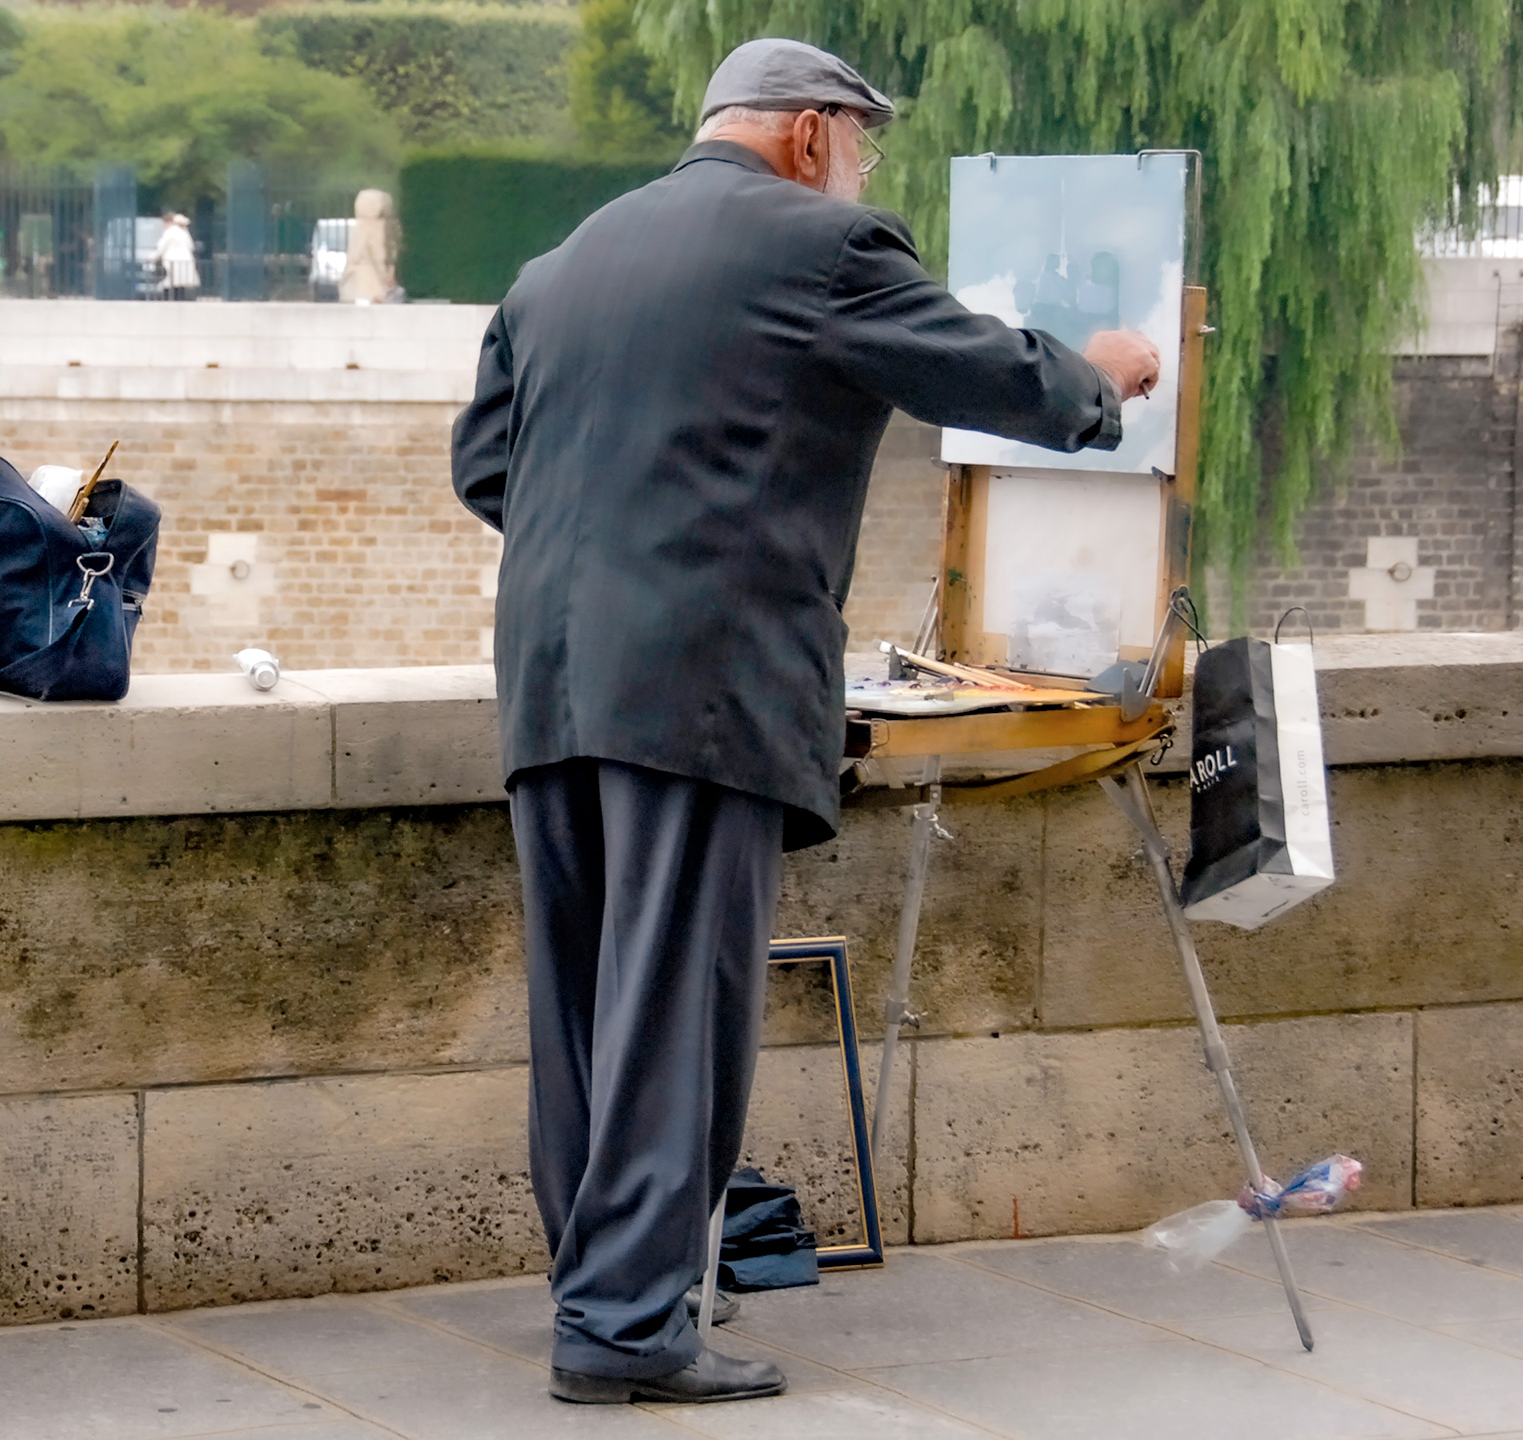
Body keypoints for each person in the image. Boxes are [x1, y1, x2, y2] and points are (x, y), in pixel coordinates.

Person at [449, 37, 1162, 1406]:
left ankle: (609, 1287)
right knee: (675, 1006)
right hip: (699, 685)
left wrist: (620, 560)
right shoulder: (816, 246)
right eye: (861, 149)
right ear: (809, 135)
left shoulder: (566, 262)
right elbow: (982, 369)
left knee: (589, 1010)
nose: (861, 176)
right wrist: (1102, 372)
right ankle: (625, 1329)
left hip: (550, 679)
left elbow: (492, 465)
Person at [154, 212, 201, 300]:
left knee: (170, 282)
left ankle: (169, 300)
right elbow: (191, 246)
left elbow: (162, 247)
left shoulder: (170, 232)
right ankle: (180, 299)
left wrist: (153, 257)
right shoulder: (184, 232)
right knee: (181, 283)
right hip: (186, 260)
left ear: (168, 222)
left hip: (172, 260)